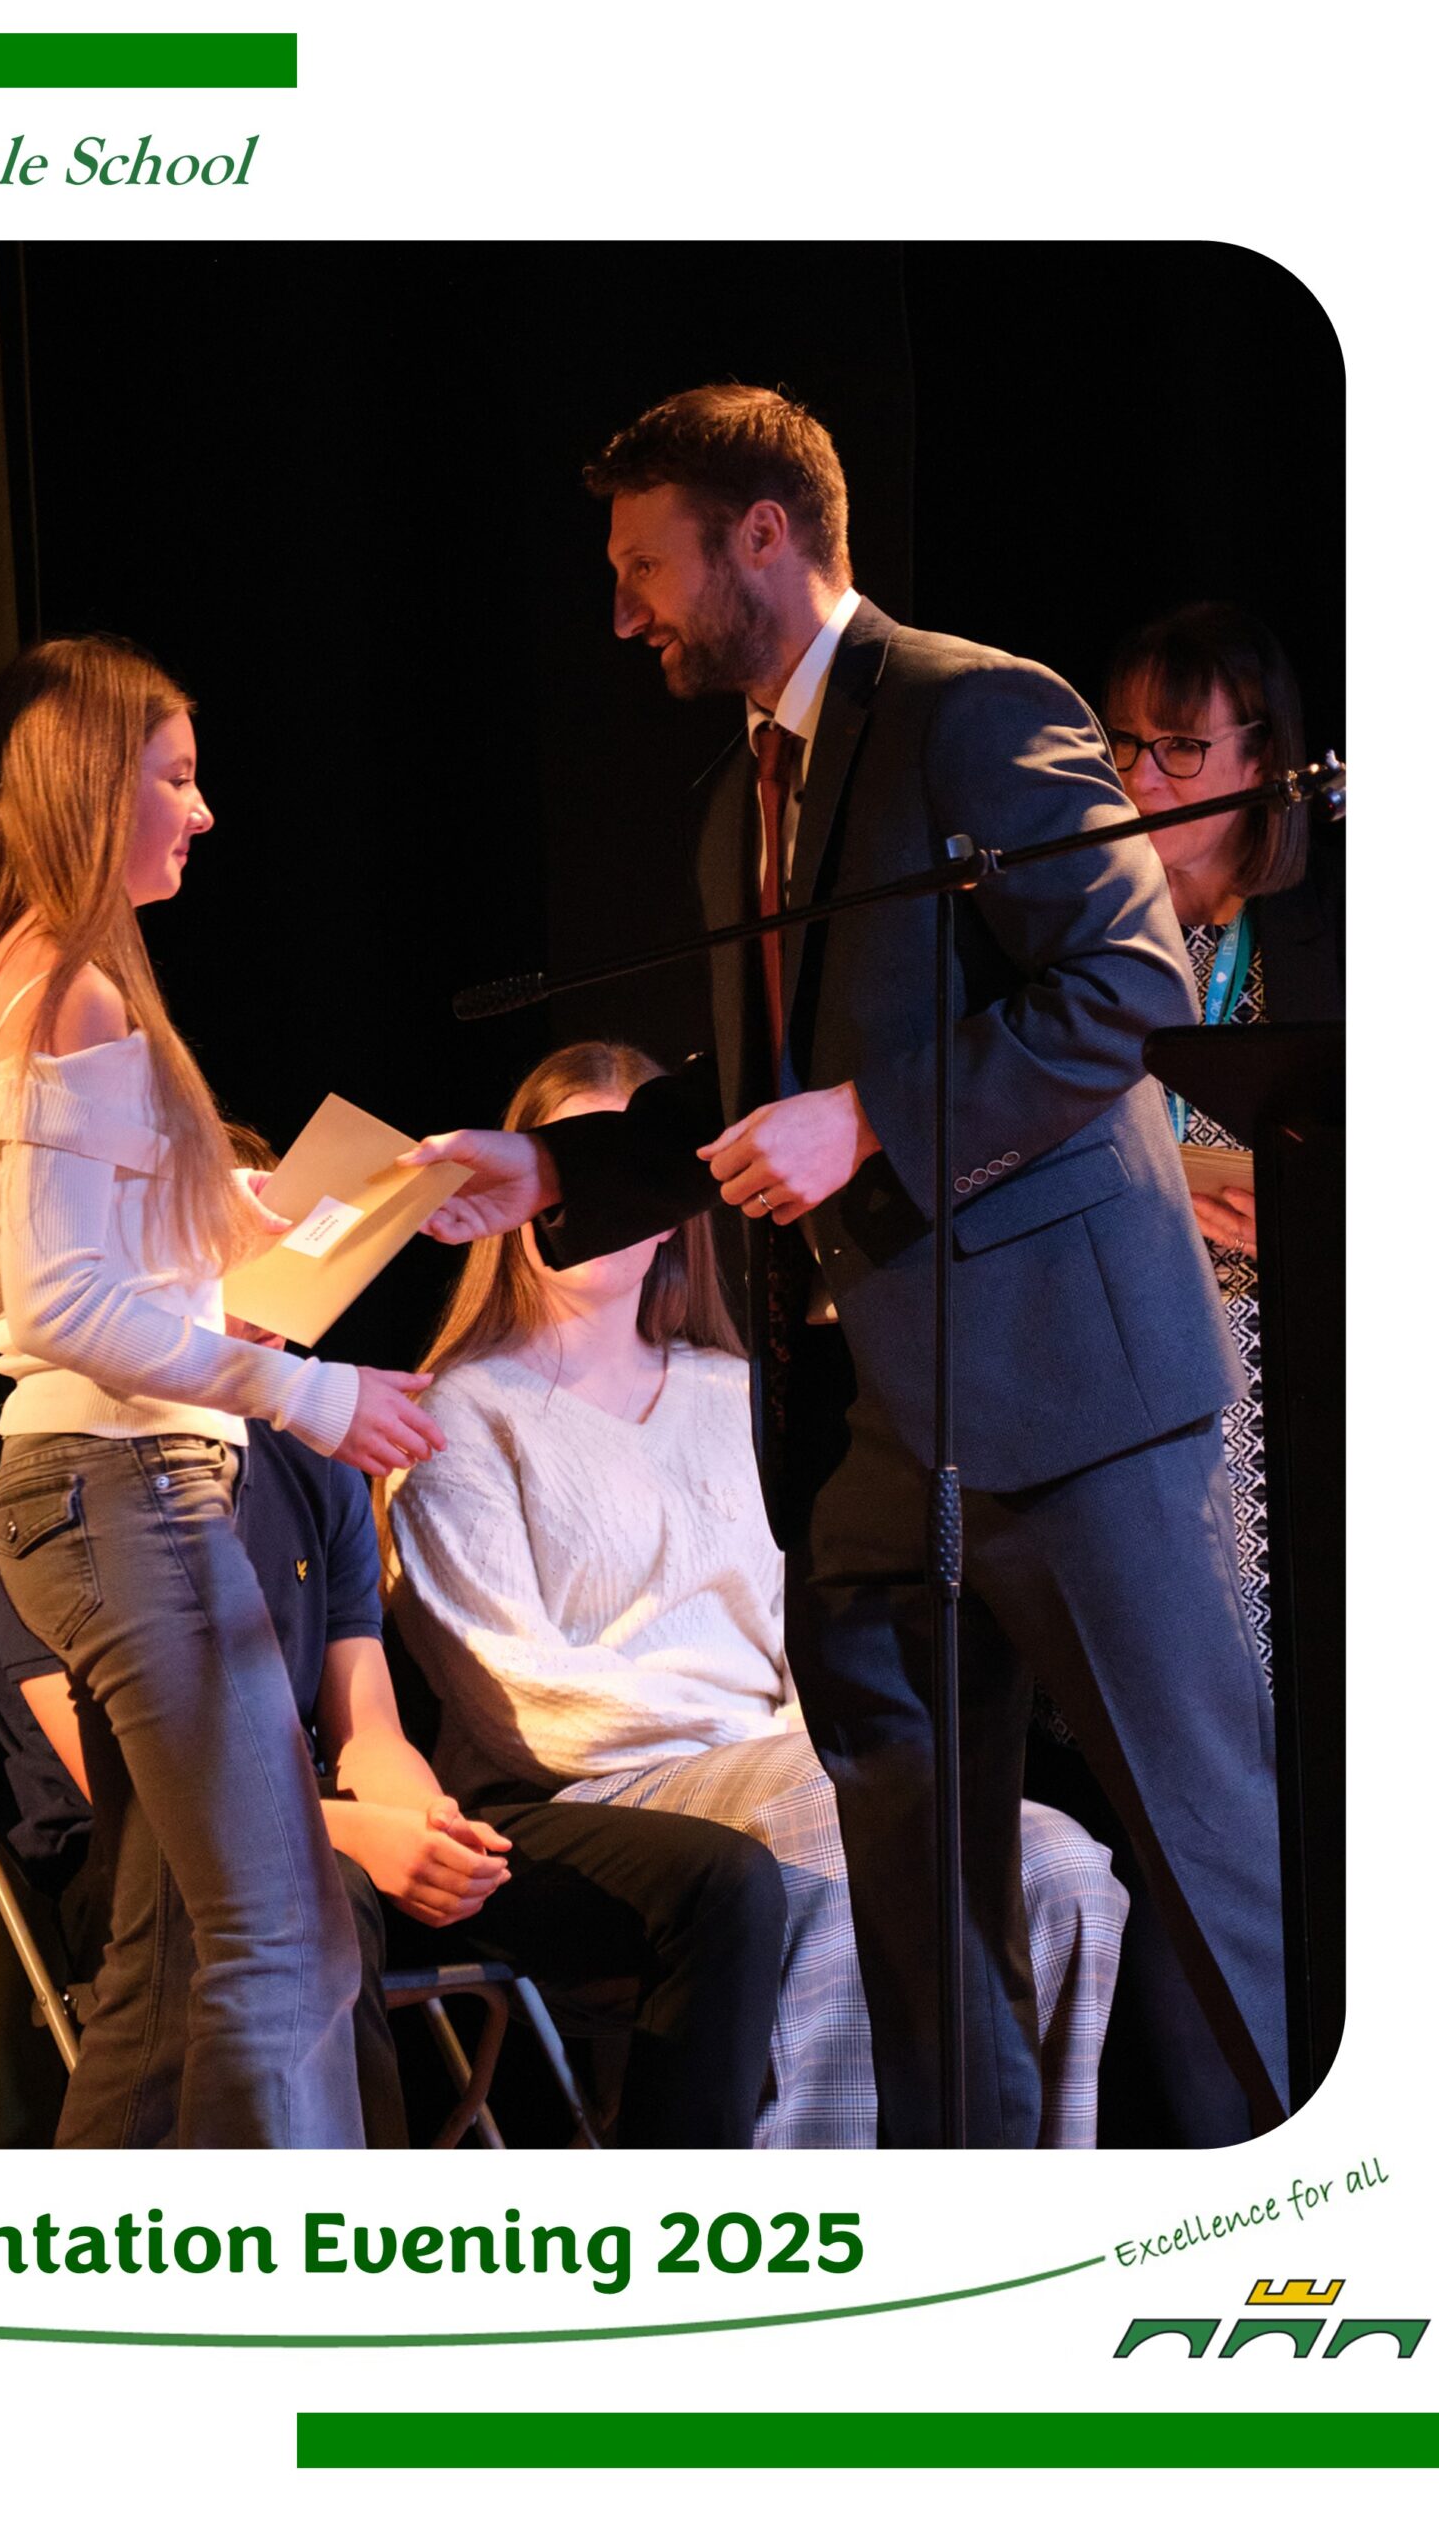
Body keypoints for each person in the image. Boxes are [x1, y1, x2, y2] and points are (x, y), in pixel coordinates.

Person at [411, 385, 1287, 2145]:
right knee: (918, 1910)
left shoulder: (973, 708)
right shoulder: (740, 796)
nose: (623, 614)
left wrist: (876, 1117)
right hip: (870, 1432)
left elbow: (1127, 986)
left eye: (644, 566)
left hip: (1071, 1400)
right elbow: (759, 1093)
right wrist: (558, 1169)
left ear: (762, 538)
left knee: (1208, 1870)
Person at [0, 635, 445, 2148]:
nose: (202, 812)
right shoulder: (67, 991)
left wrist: (230, 1213)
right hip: (127, 1494)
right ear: (91, 786)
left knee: (164, 1971)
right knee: (287, 1947)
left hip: (93, 1499)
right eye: (176, 778)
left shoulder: (24, 982)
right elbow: (61, 1305)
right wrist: (309, 1399)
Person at [386, 1040, 1127, 2147]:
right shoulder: (455, 1412)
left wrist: (812, 1743)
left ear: (667, 1202)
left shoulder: (736, 1393)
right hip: (592, 1789)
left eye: (613, 1163)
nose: (586, 1200)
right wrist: (781, 1749)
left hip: (787, 1759)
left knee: (1063, 1866)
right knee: (841, 1846)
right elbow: (515, 1693)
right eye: (561, 1163)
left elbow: (814, 1627)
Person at [0, 1263, 787, 2149]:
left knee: (718, 1881)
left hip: (333, 1826)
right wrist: (361, 1837)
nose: (269, 1305)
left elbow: (368, 1732)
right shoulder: (71, 1496)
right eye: (225, 1272)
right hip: (155, 1860)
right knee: (331, 1894)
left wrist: (425, 1824)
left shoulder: (305, 1461)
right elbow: (141, 1790)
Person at [1100, 600, 1343, 1678]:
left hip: (1289, 1363)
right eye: (1125, 743)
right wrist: (1157, 1192)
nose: (1143, 778)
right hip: (1119, 1350)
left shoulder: (1335, 929)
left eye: (1182, 747)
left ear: (1264, 755)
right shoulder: (1078, 932)